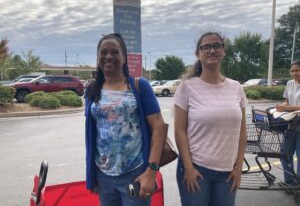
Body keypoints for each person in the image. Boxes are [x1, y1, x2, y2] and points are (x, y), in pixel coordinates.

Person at [84, 33, 165, 206]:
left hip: (135, 173)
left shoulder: (138, 85)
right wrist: (92, 175)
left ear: (124, 57)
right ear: (98, 56)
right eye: (103, 52)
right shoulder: (92, 89)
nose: (108, 56)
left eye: (114, 52)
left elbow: (158, 127)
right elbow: (92, 134)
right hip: (103, 175)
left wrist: (152, 171)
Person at [174, 32, 247, 206]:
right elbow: (179, 131)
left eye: (216, 46)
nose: (211, 50)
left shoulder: (236, 88)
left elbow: (242, 132)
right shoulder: (187, 87)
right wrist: (189, 168)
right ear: (198, 53)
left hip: (228, 172)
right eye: (205, 47)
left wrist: (238, 168)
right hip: (197, 170)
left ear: (224, 51)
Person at [276, 60, 300, 189]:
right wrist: (281, 106)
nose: (294, 73)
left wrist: (288, 108)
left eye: (297, 70)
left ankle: (298, 183)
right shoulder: (290, 83)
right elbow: (287, 101)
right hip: (290, 125)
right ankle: (290, 180)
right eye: (292, 71)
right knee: (284, 154)